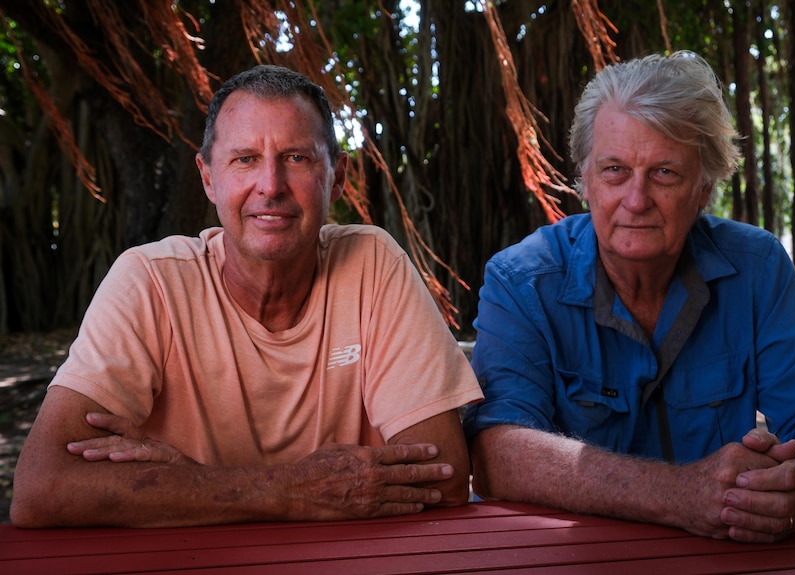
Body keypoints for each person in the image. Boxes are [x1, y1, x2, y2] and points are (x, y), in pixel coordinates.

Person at [11, 65, 483, 528]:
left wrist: (191, 485)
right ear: (208, 178)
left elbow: (442, 477)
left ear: (337, 176)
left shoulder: (372, 265)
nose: (271, 186)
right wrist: (286, 490)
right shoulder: (152, 281)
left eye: (296, 158)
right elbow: (42, 487)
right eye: (245, 159)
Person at [462, 51, 795, 544]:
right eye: (614, 170)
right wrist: (677, 494)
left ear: (704, 188)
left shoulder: (756, 268)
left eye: (665, 173)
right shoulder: (522, 281)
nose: (636, 200)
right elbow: (495, 455)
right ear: (585, 180)